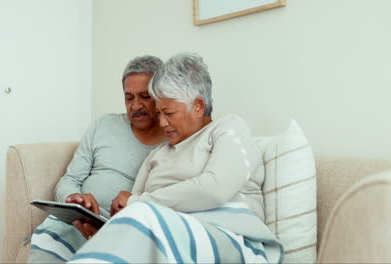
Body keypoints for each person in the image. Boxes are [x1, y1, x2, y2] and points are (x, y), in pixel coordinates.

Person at [67, 53, 284, 263]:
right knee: (57, 232)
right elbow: (132, 211)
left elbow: (214, 188)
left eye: (168, 114)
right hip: (166, 237)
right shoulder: (158, 155)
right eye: (159, 113)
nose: (161, 123)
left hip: (230, 237)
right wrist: (109, 228)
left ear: (198, 106)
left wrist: (137, 205)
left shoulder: (228, 129)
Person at [28, 55, 166, 263]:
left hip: (123, 229)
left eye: (144, 96)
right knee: (49, 235)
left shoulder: (172, 143)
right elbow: (70, 179)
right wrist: (74, 199)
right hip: (78, 221)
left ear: (161, 95)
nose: (136, 106)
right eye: (129, 98)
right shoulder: (103, 125)